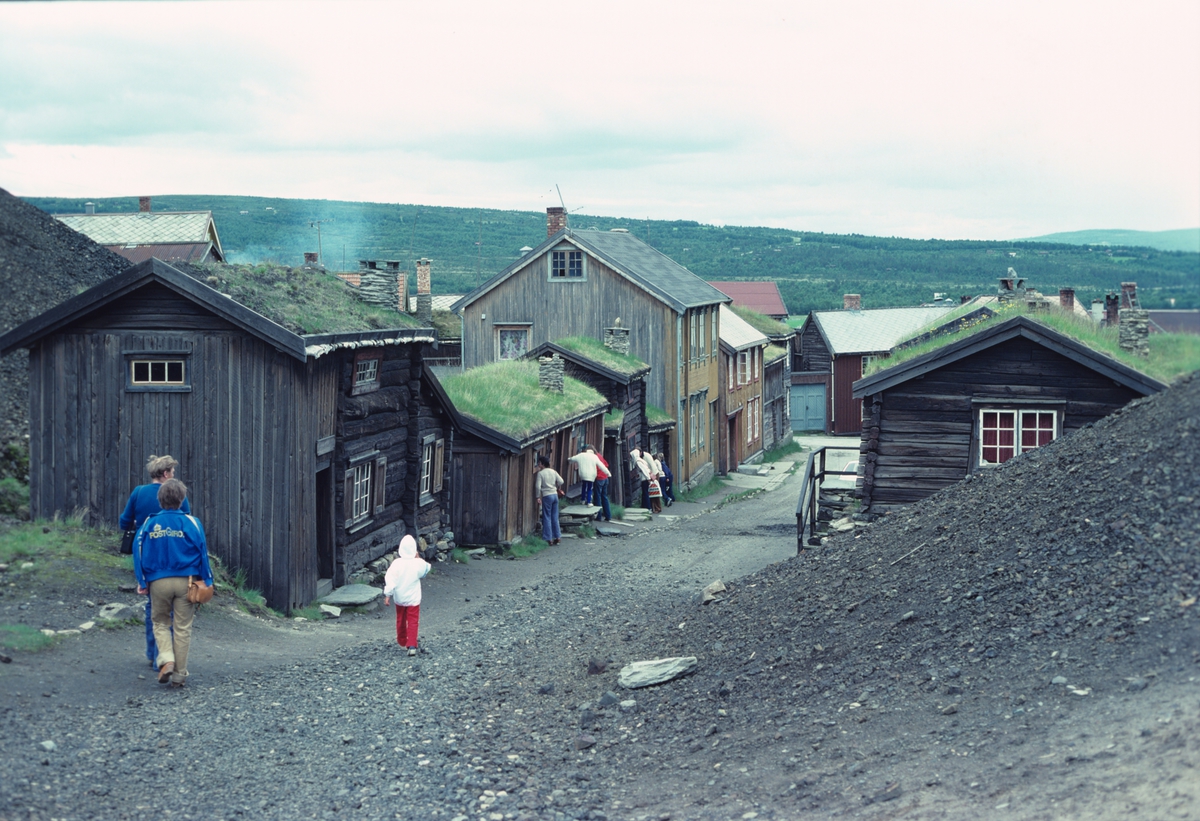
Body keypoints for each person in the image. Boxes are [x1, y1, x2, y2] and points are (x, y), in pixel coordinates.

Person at [133, 479, 212, 688]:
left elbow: (138, 551)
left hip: (157, 581)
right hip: (187, 581)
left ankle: (166, 658)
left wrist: (142, 580)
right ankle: (179, 676)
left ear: (159, 500)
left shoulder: (148, 524)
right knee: (183, 628)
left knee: (159, 622)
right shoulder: (192, 523)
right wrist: (207, 579)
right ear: (182, 499)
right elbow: (202, 552)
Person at [119, 455, 190, 670]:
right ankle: (170, 658)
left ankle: (154, 653)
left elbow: (124, 522)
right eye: (173, 472)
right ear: (166, 473)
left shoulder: (138, 492)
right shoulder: (178, 494)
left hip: (146, 554)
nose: (174, 476)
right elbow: (185, 521)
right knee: (177, 611)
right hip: (174, 556)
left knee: (154, 606)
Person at [383, 535, 430, 656]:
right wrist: (418, 558)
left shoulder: (396, 564)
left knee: (401, 619)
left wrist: (388, 595)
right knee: (413, 621)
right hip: (413, 599)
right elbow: (426, 569)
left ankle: (402, 639)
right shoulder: (417, 564)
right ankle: (412, 645)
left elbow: (390, 579)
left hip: (400, 598)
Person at [535, 454, 565, 544]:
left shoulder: (540, 473)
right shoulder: (553, 471)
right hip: (555, 495)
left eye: (539, 463)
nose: (538, 465)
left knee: (547, 516)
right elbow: (561, 481)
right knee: (555, 517)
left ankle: (548, 538)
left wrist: (537, 496)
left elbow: (537, 486)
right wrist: (557, 486)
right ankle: (557, 536)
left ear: (542, 464)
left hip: (547, 495)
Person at [589, 445, 612, 522]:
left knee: (597, 497)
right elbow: (606, 464)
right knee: (604, 497)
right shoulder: (599, 455)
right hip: (605, 478)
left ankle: (598, 516)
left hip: (599, 479)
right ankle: (608, 515)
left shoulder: (593, 458)